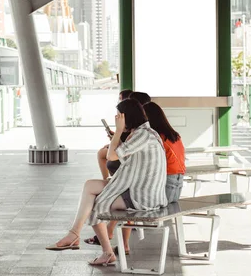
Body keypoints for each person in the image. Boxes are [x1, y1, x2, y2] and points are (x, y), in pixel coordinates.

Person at [46, 98, 168, 267]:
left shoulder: (143, 135)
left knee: (94, 203)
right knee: (90, 186)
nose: (117, 119)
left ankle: (102, 250)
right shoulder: (144, 133)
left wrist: (117, 133)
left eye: (119, 116)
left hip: (142, 197)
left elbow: (111, 156)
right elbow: (120, 153)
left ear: (128, 116)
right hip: (135, 188)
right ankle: (75, 234)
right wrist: (117, 136)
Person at [100, 101, 186, 255]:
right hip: (177, 185)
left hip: (164, 188)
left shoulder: (151, 136)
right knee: (129, 195)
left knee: (129, 194)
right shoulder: (171, 135)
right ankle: (117, 238)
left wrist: (119, 139)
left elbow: (126, 162)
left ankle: (112, 232)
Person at [97, 89, 132, 180]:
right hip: (123, 146)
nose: (119, 101)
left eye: (120, 98)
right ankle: (107, 180)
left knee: (102, 154)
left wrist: (116, 136)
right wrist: (115, 137)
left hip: (125, 150)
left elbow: (111, 156)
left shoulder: (126, 117)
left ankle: (106, 180)